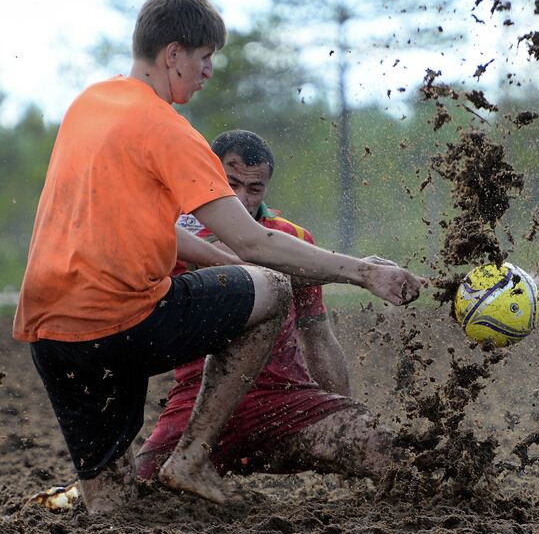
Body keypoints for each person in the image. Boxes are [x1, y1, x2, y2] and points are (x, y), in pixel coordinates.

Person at [13, 0, 424, 515]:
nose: (208, 71)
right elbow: (253, 239)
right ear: (173, 54)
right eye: (205, 58)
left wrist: (232, 267)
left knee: (114, 511)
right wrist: (364, 273)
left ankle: (140, 485)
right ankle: (192, 455)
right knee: (272, 287)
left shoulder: (88, 106)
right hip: (120, 324)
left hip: (51, 335)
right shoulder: (169, 130)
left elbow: (153, 232)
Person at [134, 129, 398, 480]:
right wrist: (354, 270)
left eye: (254, 188)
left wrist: (341, 407)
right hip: (197, 411)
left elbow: (316, 335)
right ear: (209, 177)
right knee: (133, 493)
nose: (242, 198)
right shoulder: (172, 232)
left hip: (285, 404)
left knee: (387, 453)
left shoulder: (295, 239)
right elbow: (236, 259)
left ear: (266, 188)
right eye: (231, 185)